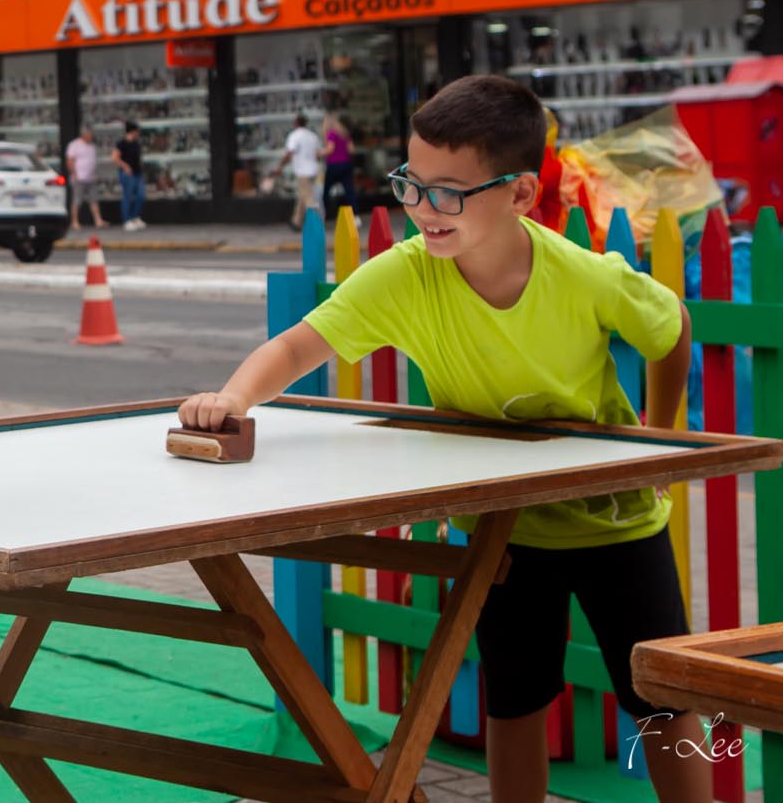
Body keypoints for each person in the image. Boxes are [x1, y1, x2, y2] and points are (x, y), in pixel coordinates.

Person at [178, 76, 707, 799]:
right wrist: (234, 396)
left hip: (619, 522)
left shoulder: (583, 276)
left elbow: (671, 327)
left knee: (663, 698)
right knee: (514, 699)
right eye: (412, 184)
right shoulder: (405, 274)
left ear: (521, 194)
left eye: (449, 193)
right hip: (503, 527)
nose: (424, 209)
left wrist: (662, 435)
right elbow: (300, 345)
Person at [273, 112, 321, 230]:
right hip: (313, 170)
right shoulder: (312, 136)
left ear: (296, 123)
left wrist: (280, 166)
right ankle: (296, 222)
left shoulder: (295, 136)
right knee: (302, 196)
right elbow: (317, 154)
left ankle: (315, 224)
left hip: (303, 171)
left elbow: (290, 153)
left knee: (309, 199)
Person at [63, 126, 104, 229]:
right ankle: (75, 221)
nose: (91, 137)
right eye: (90, 135)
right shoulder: (74, 145)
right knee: (77, 200)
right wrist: (73, 174)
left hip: (91, 177)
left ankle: (98, 220)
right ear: (84, 135)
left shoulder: (92, 146)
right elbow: (69, 160)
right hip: (79, 177)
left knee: (94, 200)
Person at [113, 120, 146, 231]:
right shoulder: (122, 143)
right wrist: (125, 166)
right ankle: (126, 220)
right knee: (127, 196)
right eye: (137, 131)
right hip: (127, 174)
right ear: (132, 131)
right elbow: (115, 157)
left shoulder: (136, 143)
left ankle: (135, 217)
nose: (138, 133)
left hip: (137, 173)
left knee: (141, 195)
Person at [321, 113, 356, 219]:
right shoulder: (345, 134)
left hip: (334, 165)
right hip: (346, 164)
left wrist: (318, 154)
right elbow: (352, 150)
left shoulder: (331, 134)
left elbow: (330, 149)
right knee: (349, 191)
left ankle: (325, 214)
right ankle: (355, 216)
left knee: (326, 191)